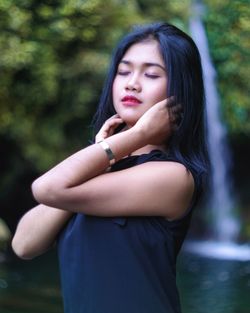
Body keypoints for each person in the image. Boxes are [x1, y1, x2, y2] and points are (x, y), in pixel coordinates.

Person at [12, 22, 209, 313]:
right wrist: (107, 157)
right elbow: (24, 244)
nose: (132, 83)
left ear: (180, 92)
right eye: (124, 71)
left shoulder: (174, 176)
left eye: (152, 74)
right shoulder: (104, 168)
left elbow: (46, 188)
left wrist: (137, 136)